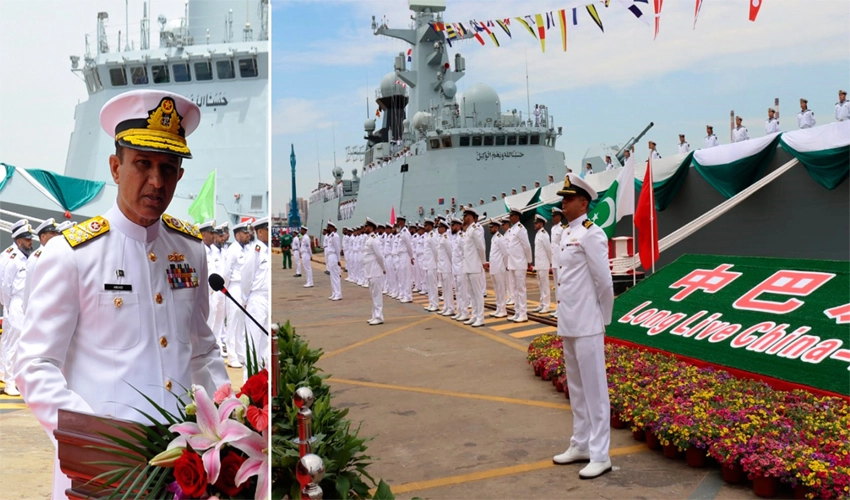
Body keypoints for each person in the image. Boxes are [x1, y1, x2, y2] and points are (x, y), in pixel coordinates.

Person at [15, 89, 228, 499]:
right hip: (101, 471)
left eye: (168, 168)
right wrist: (93, 439)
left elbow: (202, 352)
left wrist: (223, 429)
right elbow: (35, 364)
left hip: (181, 467)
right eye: (142, 164)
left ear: (180, 175)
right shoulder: (71, 255)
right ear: (116, 167)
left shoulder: (190, 249)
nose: (156, 181)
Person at [551, 173, 614, 480]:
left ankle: (601, 454)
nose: (563, 203)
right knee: (576, 389)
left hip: (588, 322)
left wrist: (602, 319)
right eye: (563, 199)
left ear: (583, 203)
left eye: (568, 199)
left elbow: (604, 282)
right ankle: (581, 444)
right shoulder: (564, 233)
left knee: (595, 391)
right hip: (569, 322)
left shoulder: (592, 234)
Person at [2, 223, 34, 396]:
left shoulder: (26, 257)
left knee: (23, 345)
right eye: (27, 239)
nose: (30, 242)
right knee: (12, 344)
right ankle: (9, 382)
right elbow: (5, 286)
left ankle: (18, 380)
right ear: (19, 240)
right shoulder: (12, 259)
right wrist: (8, 307)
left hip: (26, 303)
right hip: (15, 303)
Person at [240, 216, 270, 373]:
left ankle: (263, 379)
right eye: (268, 229)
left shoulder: (268, 251)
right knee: (253, 342)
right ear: (260, 231)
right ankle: (250, 381)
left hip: (268, 298)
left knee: (266, 341)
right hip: (257, 299)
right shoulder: (255, 251)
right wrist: (246, 299)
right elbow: (246, 277)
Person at [223, 221, 251, 368]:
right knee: (232, 323)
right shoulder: (232, 250)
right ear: (237, 234)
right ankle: (231, 356)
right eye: (245, 233)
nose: (248, 235)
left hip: (243, 288)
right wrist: (226, 291)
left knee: (241, 324)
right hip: (233, 287)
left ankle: (240, 354)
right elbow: (226, 273)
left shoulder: (246, 250)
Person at [200, 220, 226, 357]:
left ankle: (214, 352)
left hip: (214, 292)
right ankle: (205, 354)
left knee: (216, 323)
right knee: (206, 326)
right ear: (204, 235)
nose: (214, 236)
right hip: (205, 294)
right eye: (211, 233)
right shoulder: (200, 250)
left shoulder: (212, 251)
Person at [23, 218, 63, 307]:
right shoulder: (36, 257)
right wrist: (27, 309)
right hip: (41, 306)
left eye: (57, 233)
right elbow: (29, 285)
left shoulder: (57, 254)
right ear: (43, 237)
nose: (56, 236)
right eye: (52, 233)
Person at [505, 208, 532, 323]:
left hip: (520, 263)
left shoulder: (521, 229)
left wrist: (529, 261)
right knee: (515, 289)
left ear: (517, 216)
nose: (510, 218)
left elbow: (526, 246)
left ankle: (523, 313)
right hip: (512, 263)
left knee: (520, 289)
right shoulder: (512, 230)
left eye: (512, 216)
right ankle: (517, 312)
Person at [460, 208, 486, 327]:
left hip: (475, 266)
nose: (463, 218)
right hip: (468, 266)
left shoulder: (475, 230)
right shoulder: (468, 230)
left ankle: (480, 317)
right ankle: (475, 316)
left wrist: (483, 262)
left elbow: (481, 247)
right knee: (472, 293)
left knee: (477, 293)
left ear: (470, 217)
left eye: (465, 216)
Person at [362, 218, 386, 325]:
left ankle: (379, 317)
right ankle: (374, 315)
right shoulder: (369, 239)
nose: (365, 228)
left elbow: (380, 256)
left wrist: (383, 268)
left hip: (375, 270)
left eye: (366, 226)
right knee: (373, 294)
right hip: (370, 271)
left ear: (371, 227)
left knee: (377, 295)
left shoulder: (374, 239)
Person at [487, 219, 508, 318]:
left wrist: (505, 266)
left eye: (491, 227)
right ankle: (498, 308)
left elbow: (505, 253)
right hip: (494, 268)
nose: (490, 229)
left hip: (499, 268)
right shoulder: (494, 238)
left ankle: (503, 310)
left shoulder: (500, 238)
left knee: (501, 289)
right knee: (496, 289)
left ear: (497, 227)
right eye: (490, 227)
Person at [532, 214, 552, 315]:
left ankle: (546, 305)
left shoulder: (544, 234)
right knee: (540, 285)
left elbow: (549, 250)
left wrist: (551, 262)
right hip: (539, 265)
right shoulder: (538, 234)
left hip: (544, 264)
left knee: (545, 285)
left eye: (536, 223)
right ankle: (542, 303)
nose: (534, 225)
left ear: (541, 223)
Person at [549, 208, 566, 319]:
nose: (553, 218)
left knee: (562, 286)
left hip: (560, 261)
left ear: (559, 216)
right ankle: (557, 309)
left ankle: (563, 310)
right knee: (556, 286)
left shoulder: (562, 228)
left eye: (555, 215)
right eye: (552, 216)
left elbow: (563, 246)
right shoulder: (553, 228)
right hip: (554, 261)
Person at [450, 218, 468, 320]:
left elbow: (465, 253)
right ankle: (460, 311)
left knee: (463, 291)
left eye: (453, 226)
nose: (452, 228)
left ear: (458, 226)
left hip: (461, 268)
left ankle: (465, 312)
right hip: (455, 268)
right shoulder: (455, 238)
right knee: (457, 291)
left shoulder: (462, 237)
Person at [436, 220, 455, 316]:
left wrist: (452, 264)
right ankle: (446, 307)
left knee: (448, 289)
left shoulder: (446, 238)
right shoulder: (441, 238)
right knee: (444, 289)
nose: (438, 229)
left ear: (444, 228)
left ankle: (450, 308)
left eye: (440, 227)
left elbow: (450, 252)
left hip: (446, 267)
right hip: (442, 267)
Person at [422, 219, 440, 312]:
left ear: (430, 226)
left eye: (426, 226)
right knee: (429, 285)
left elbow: (435, 251)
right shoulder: (427, 236)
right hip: (427, 264)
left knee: (433, 285)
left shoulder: (432, 236)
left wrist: (437, 263)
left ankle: (435, 304)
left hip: (432, 264)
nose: (424, 227)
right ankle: (431, 303)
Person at [324, 222, 342, 300]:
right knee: (332, 276)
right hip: (330, 256)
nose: (327, 228)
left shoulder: (335, 236)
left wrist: (339, 259)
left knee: (335, 276)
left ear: (332, 228)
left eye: (328, 227)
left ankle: (338, 294)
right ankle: (334, 292)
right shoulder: (330, 236)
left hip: (334, 256)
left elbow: (337, 249)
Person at [500, 218, 515, 307]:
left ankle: (512, 297)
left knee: (510, 280)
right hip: (505, 261)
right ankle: (509, 297)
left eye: (504, 224)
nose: (502, 226)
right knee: (507, 280)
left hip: (509, 260)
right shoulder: (505, 234)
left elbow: (509, 249)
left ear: (508, 224)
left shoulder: (510, 234)